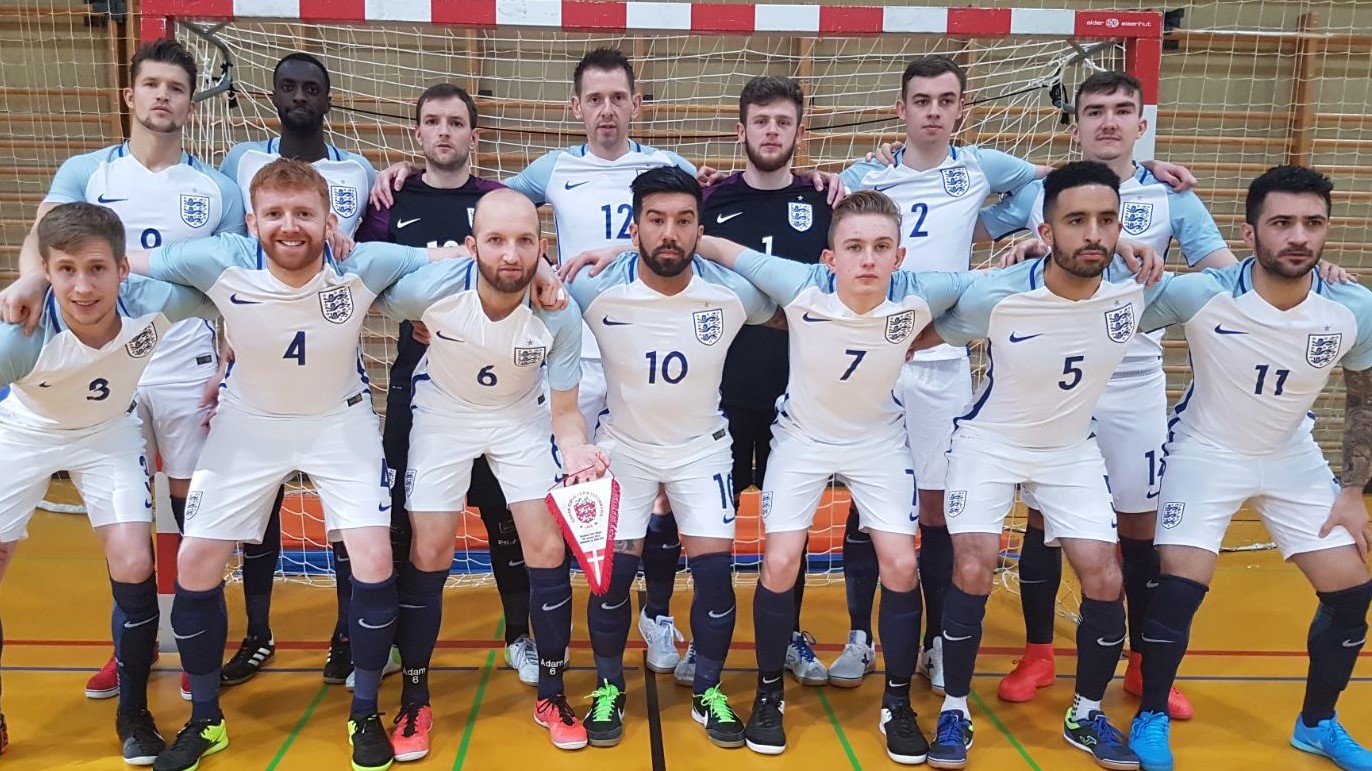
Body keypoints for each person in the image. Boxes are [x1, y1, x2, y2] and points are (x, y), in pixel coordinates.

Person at [102, 159, 489, 771]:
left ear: (328, 220)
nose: (290, 226)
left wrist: (483, 269)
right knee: (199, 558)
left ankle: (364, 712)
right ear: (252, 221)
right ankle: (205, 721)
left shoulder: (362, 263)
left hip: (339, 420)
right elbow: (120, 263)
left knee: (374, 554)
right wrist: (32, 280)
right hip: (247, 424)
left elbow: (445, 263)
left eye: (305, 213)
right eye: (276, 215)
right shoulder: (215, 259)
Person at [371, 48, 700, 674]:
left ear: (636, 102)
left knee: (654, 496)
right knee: (562, 509)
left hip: (642, 347)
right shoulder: (553, 167)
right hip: (563, 350)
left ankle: (656, 617)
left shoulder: (668, 165)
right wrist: (406, 172)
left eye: (618, 97)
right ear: (575, 107)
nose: (607, 109)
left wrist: (836, 180)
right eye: (594, 98)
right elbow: (494, 213)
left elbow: (701, 212)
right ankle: (560, 637)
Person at [978, 71, 1234, 717]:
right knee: (1043, 521)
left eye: (1124, 111)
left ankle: (1146, 663)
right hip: (1055, 380)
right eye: (1095, 111)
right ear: (1077, 126)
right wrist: (1027, 237)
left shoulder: (1171, 198)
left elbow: (1229, 276)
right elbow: (976, 219)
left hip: (1133, 383)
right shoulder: (1045, 190)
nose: (1109, 122)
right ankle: (1039, 652)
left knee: (1138, 527)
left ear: (1141, 124)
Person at [692, 190, 976, 762]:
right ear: (830, 257)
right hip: (801, 438)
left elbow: (995, 287)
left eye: (880, 248)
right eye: (854, 247)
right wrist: (621, 250)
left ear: (900, 257)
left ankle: (897, 704)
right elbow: (718, 246)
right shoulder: (800, 285)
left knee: (900, 562)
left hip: (877, 441)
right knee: (778, 561)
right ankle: (768, 695)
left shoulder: (924, 292)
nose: (867, 259)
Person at [0, 39, 244, 705]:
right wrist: (26, 279)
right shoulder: (86, 171)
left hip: (179, 358)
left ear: (191, 105)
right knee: (125, 531)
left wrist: (234, 348)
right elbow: (44, 238)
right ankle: (128, 648)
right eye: (153, 84)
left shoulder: (215, 187)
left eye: (176, 87)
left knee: (195, 516)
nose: (163, 95)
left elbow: (230, 279)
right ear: (128, 97)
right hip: (96, 361)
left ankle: (196, 646)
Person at [920, 161, 1165, 770]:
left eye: (1107, 221)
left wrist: (1320, 271)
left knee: (1104, 575)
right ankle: (954, 707)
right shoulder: (999, 293)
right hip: (989, 442)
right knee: (973, 565)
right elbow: (922, 334)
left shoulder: (1137, 291)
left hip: (1069, 449)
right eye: (1076, 221)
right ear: (1046, 229)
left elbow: (1245, 285)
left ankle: (1086, 713)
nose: (1094, 235)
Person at [1126, 165, 1372, 771]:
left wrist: (1354, 490)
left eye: (1313, 224)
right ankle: (1151, 712)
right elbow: (1108, 313)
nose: (1298, 236)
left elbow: (1364, 398)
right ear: (1250, 232)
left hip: (1293, 457)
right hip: (1206, 453)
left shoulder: (1351, 307)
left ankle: (1317, 724)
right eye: (1282, 222)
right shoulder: (1201, 292)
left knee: (1351, 593)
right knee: (1181, 589)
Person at [376, 189, 606, 756]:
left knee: (547, 547)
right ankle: (414, 701)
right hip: (443, 414)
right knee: (429, 550)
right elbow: (364, 287)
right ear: (472, 246)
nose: (511, 254)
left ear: (541, 248)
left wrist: (576, 450)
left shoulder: (560, 313)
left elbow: (566, 413)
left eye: (525, 241)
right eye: (497, 240)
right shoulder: (429, 291)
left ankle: (552, 694)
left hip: (519, 417)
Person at [565, 166, 776, 749]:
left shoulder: (733, 294)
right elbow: (525, 296)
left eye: (684, 221)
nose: (669, 233)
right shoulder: (592, 290)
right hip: (621, 450)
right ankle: (608, 687)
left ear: (699, 229)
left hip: (701, 449)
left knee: (715, 583)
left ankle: (709, 689)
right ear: (634, 229)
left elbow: (803, 297)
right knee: (610, 584)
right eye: (656, 220)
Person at [0, 203, 216, 764]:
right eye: (66, 269)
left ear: (124, 269)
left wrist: (234, 342)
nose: (82, 285)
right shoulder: (18, 338)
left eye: (96, 268)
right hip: (22, 433)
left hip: (107, 432)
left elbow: (232, 286)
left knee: (134, 561)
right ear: (46, 271)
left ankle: (134, 711)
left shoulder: (156, 304)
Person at [355, 83, 542, 692]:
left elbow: (527, 260)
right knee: (411, 523)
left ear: (473, 136)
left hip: (499, 385)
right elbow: (365, 270)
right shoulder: (391, 198)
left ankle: (520, 636)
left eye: (456, 122)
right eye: (432, 121)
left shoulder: (496, 202)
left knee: (503, 516)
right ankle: (394, 644)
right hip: (421, 383)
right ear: (417, 134)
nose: (444, 132)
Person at [217, 51, 383, 688]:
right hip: (260, 351)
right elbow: (236, 256)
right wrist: (226, 345)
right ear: (275, 94)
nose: (299, 96)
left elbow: (364, 247)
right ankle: (258, 633)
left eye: (311, 88)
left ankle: (347, 635)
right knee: (259, 509)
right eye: (288, 86)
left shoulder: (356, 168)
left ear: (328, 98)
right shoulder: (242, 163)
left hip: (331, 348)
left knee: (346, 514)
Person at [670, 75, 834, 689]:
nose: (771, 131)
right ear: (741, 131)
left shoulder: (825, 202)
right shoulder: (709, 203)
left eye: (782, 121)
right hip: (723, 389)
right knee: (708, 524)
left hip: (800, 392)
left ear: (799, 131)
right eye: (760, 121)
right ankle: (703, 639)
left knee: (788, 527)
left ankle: (787, 635)